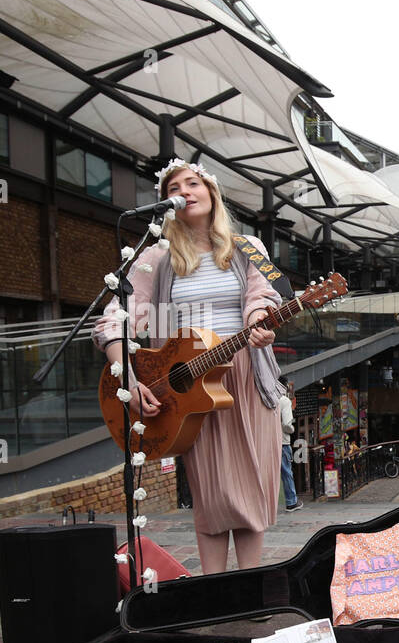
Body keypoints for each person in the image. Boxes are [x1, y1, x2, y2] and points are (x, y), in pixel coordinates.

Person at [95, 158, 284, 574]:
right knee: (211, 496)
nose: (185, 190)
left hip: (245, 379)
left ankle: (251, 592)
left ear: (211, 192)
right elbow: (116, 318)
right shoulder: (156, 257)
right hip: (188, 386)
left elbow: (263, 297)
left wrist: (259, 325)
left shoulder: (249, 246)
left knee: (250, 492)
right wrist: (125, 374)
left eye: (193, 182)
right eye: (174, 187)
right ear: (167, 204)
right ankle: (213, 592)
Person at [278, 376, 302, 511]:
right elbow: (287, 424)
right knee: (286, 472)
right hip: (282, 442)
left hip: (268, 442)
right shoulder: (284, 401)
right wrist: (292, 430)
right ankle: (291, 501)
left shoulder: (267, 398)